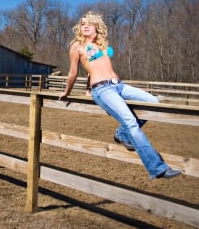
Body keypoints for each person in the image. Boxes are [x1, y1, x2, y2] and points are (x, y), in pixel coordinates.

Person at [58, 11, 181, 179]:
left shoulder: (103, 46)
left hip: (119, 86)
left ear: (97, 27)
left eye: (89, 23)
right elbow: (73, 72)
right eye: (82, 23)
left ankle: (121, 134)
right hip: (102, 90)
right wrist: (67, 92)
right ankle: (158, 168)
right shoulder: (77, 46)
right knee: (131, 123)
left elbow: (95, 68)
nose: (85, 25)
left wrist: (87, 86)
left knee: (154, 102)